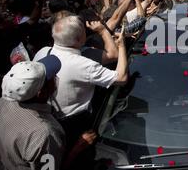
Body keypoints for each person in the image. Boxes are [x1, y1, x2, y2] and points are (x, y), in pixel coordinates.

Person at [32, 16, 129, 145]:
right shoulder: (83, 65)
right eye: (84, 30)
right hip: (75, 126)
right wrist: (122, 46)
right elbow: (121, 78)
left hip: (46, 118)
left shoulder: (42, 52)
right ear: (79, 39)